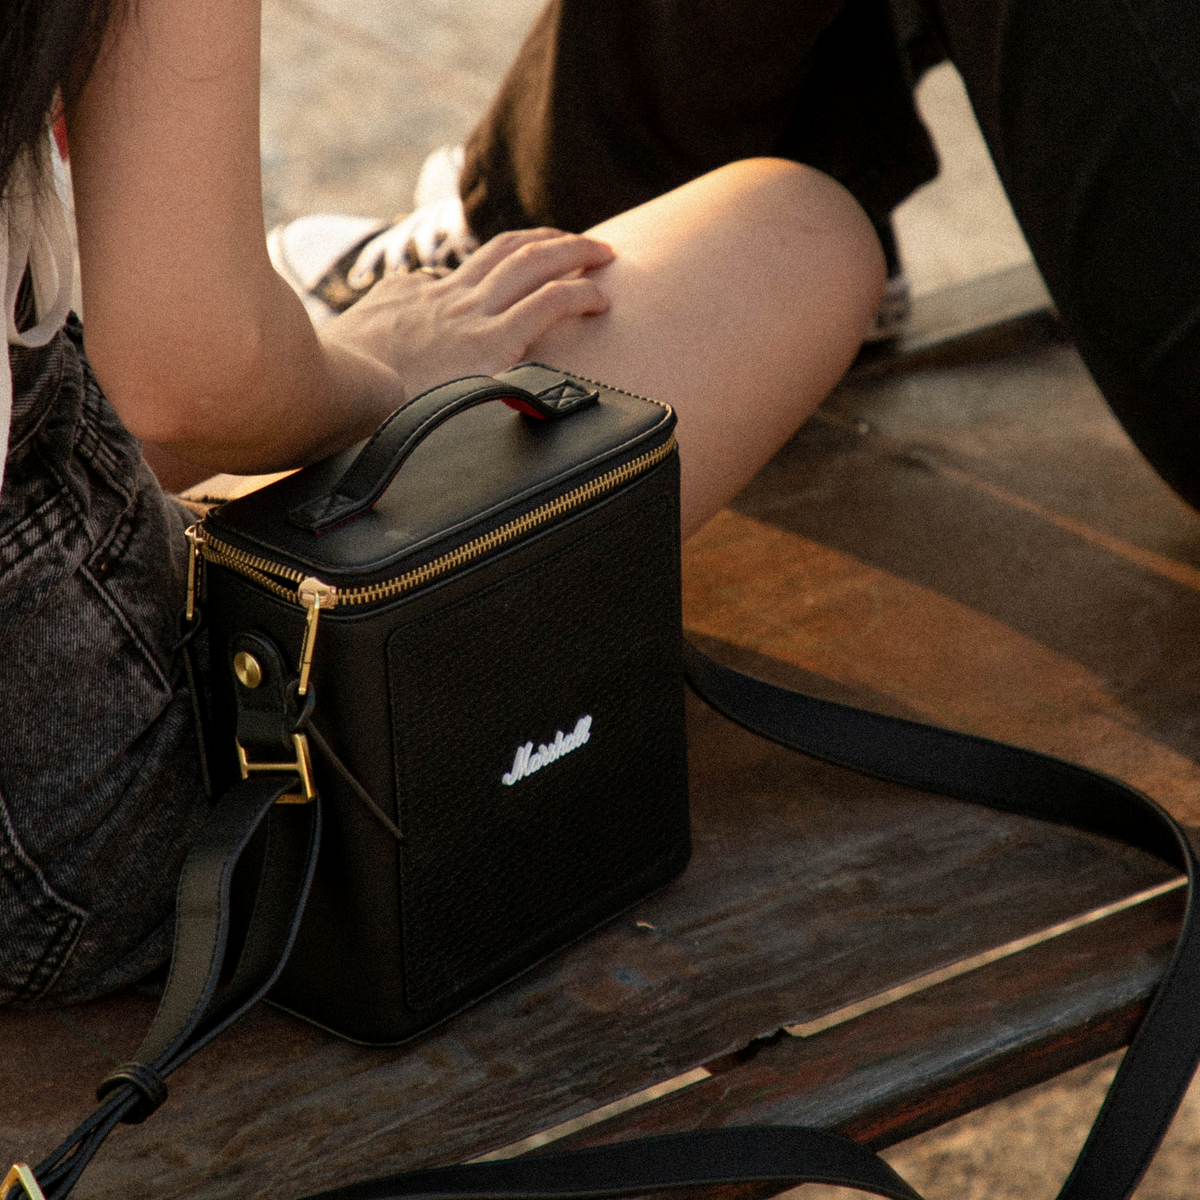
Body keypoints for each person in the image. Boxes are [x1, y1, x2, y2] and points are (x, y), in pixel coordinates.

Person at [0, 0, 884, 1004]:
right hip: (62, 834)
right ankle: (358, 317)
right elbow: (191, 379)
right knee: (799, 228)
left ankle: (328, 327)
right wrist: (381, 364)